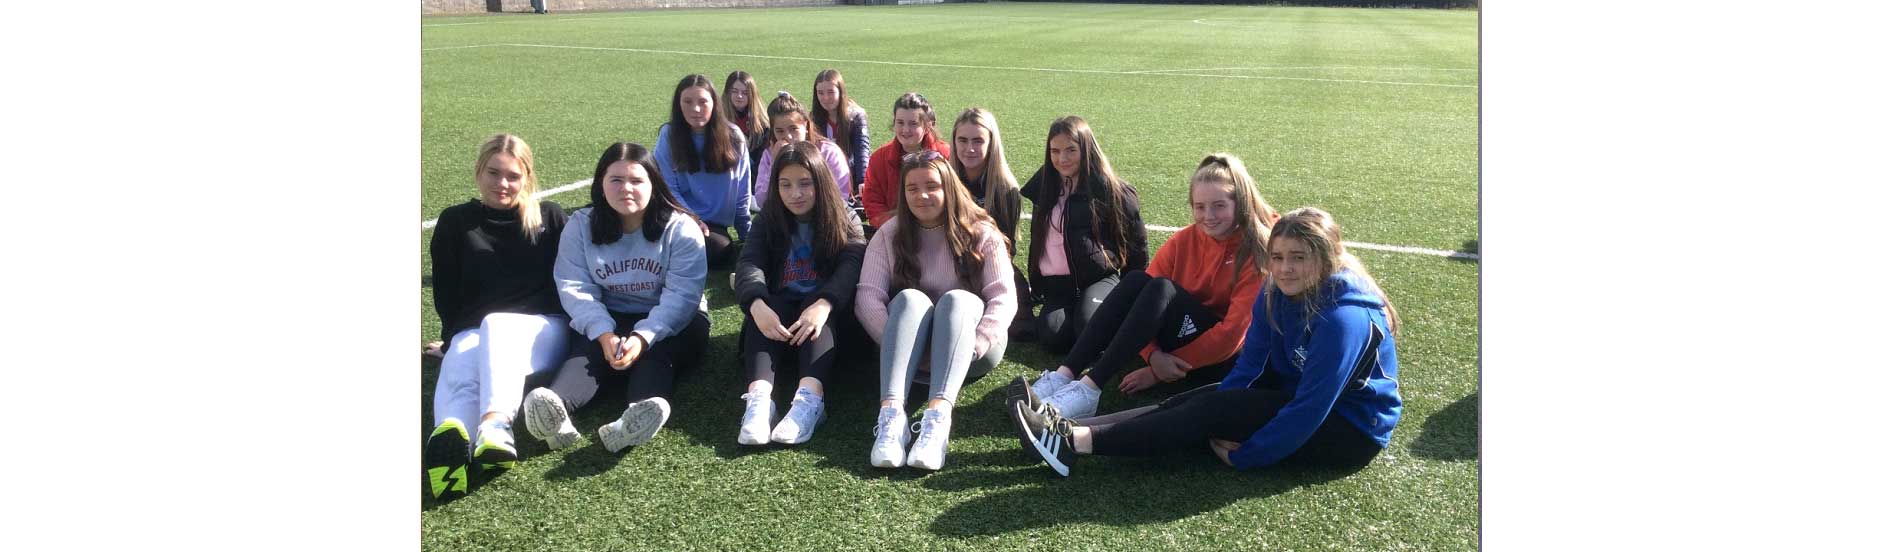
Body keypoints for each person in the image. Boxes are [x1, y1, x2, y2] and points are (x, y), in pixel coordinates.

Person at [1012, 207, 1402, 477]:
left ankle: (1072, 444)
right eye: (1278, 257)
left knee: (1207, 412)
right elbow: (1251, 366)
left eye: (1298, 258)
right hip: (1292, 394)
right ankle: (1066, 426)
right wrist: (1225, 405)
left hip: (1349, 428)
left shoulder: (1343, 320)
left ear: (1327, 259)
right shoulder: (1275, 292)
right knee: (1197, 401)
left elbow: (1311, 409)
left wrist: (1249, 455)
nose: (1285, 268)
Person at [1019, 153, 1278, 419]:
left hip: (1222, 360)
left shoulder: (1257, 250)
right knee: (1137, 280)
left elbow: (1231, 337)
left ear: (1240, 203)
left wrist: (1157, 373)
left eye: (1219, 206)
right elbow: (1141, 299)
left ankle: (1089, 389)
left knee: (1162, 288)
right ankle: (1064, 374)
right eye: (1200, 207)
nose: (1208, 216)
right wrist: (1153, 355)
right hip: (1177, 342)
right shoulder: (1184, 240)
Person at [521, 142, 712, 454]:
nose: (626, 189)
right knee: (588, 355)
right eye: (616, 180)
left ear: (654, 185)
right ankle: (556, 411)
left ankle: (634, 417)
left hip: (675, 320)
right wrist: (603, 333)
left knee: (657, 355)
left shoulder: (681, 229)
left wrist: (643, 337)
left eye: (636, 180)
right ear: (601, 184)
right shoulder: (580, 225)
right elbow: (574, 286)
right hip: (609, 315)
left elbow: (682, 296)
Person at [424, 133, 570, 500]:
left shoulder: (550, 217)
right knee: (461, 357)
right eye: (493, 173)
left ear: (527, 178)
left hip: (545, 331)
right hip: (476, 330)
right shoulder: (456, 221)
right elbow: (447, 292)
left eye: (513, 176)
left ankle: (497, 425)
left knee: (496, 324)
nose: (502, 183)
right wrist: (451, 339)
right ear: (478, 171)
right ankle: (452, 444)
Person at [856, 151, 1016, 471]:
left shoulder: (982, 231)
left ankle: (938, 419)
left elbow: (1003, 298)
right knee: (909, 299)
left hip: (970, 349)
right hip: (910, 354)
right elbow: (867, 297)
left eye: (932, 186)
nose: (922, 196)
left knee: (957, 300)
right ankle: (891, 417)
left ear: (949, 187)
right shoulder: (890, 233)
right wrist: (900, 344)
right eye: (912, 188)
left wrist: (972, 345)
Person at [734, 142, 868, 445]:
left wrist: (825, 303)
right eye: (786, 184)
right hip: (781, 320)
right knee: (767, 304)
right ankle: (759, 401)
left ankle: (810, 400)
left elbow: (852, 263)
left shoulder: (844, 216)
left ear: (821, 181)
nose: (795, 193)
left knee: (815, 304)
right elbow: (749, 262)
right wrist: (756, 303)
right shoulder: (768, 218)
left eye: (805, 183)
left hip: (827, 324)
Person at [1019, 115, 1149, 354]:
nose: (1062, 158)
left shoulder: (1111, 190)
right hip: (1057, 286)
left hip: (1098, 278)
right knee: (1053, 337)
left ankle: (1092, 314)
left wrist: (1131, 290)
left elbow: (1137, 244)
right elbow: (1038, 240)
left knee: (1091, 329)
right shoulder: (1044, 186)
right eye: (1055, 151)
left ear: (1087, 149)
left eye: (1071, 150)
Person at [653, 74, 751, 269]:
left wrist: (746, 234)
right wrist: (691, 218)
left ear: (714, 103)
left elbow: (742, 192)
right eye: (688, 102)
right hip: (678, 215)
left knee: (719, 250)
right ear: (678, 104)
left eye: (703, 102)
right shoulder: (669, 136)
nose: (696, 109)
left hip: (713, 226)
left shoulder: (733, 137)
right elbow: (667, 187)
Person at [948, 107, 1029, 333]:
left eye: (978, 141)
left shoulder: (1005, 189)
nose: (969, 148)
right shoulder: (945, 181)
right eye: (962, 140)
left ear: (991, 143)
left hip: (988, 266)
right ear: (954, 142)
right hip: (946, 264)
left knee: (1021, 327)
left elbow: (1006, 249)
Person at [860, 92, 952, 232]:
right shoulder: (879, 158)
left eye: (913, 123)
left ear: (927, 126)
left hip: (939, 229)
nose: (905, 130)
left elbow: (955, 198)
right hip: (894, 231)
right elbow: (872, 202)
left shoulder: (945, 155)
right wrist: (895, 228)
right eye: (900, 123)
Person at [751, 92, 853, 211]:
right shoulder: (770, 155)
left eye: (793, 129)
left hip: (823, 215)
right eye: (780, 131)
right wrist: (774, 164)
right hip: (784, 217)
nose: (788, 136)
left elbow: (840, 197)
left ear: (805, 125)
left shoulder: (828, 152)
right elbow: (761, 202)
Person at [809, 69, 870, 197]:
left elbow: (861, 150)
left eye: (831, 92)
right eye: (820, 93)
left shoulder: (856, 116)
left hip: (850, 177)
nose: (825, 98)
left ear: (840, 91)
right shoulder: (813, 118)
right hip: (824, 178)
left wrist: (863, 180)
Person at [724, 71, 771, 189]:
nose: (739, 96)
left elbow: (762, 160)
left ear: (752, 95)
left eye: (745, 93)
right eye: (734, 91)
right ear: (728, 92)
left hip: (753, 177)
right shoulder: (719, 119)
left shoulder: (762, 123)